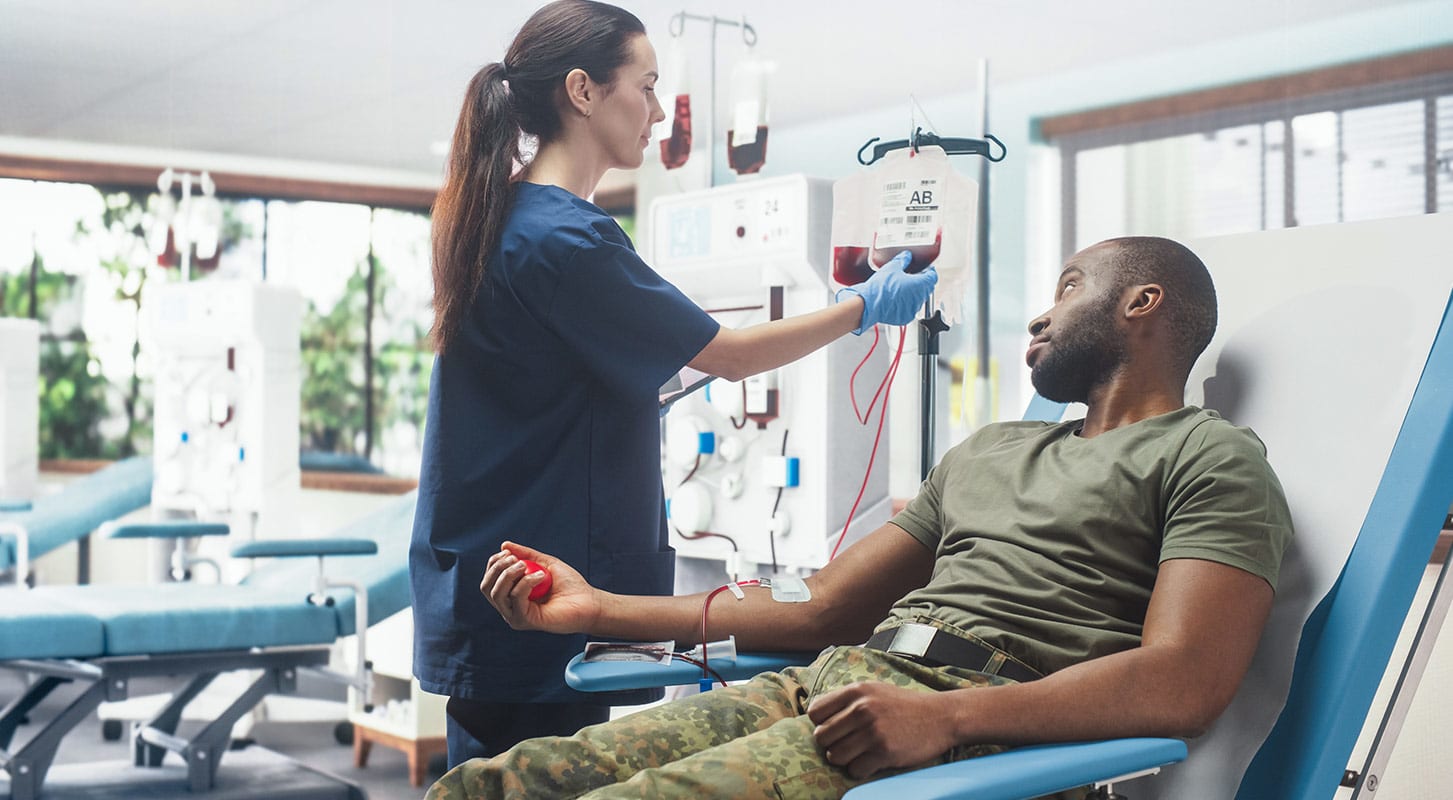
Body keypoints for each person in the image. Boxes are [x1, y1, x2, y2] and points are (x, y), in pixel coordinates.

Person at [428, 235, 1295, 800]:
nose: (1038, 313)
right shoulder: (987, 452)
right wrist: (597, 610)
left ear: (1140, 305)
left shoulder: (1207, 457)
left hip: (973, 725)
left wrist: (947, 720)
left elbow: (1185, 684)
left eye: (1067, 287)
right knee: (494, 785)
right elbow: (822, 609)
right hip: (836, 681)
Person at [411, 0, 939, 770]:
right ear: (583, 91)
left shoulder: (505, 219)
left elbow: (552, 385)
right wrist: (862, 306)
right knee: (536, 780)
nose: (658, 111)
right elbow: (728, 354)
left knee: (501, 779)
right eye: (647, 86)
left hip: (497, 563)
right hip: (535, 575)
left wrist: (666, 375)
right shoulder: (567, 237)